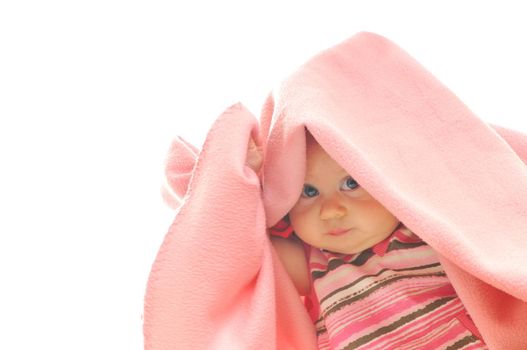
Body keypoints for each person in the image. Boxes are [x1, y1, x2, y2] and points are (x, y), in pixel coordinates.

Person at [246, 131, 488, 349]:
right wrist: (247, 179)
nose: (330, 211)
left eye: (351, 183)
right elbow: (248, 243)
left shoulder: (426, 232)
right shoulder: (314, 265)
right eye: (308, 191)